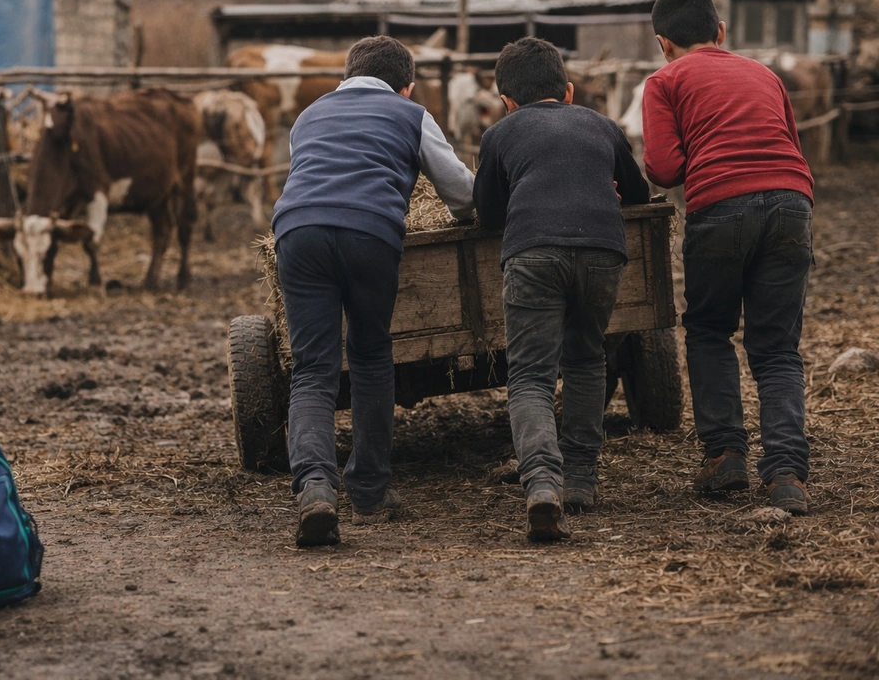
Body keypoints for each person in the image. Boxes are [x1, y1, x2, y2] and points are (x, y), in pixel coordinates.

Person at [272, 35, 475, 547]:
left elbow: (310, 172)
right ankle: (368, 489)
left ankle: (316, 488)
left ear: (344, 77)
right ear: (406, 86)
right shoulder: (410, 114)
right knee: (368, 355)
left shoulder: (309, 115)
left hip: (296, 231)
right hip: (369, 232)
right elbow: (460, 191)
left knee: (313, 369)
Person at [641, 0, 815, 515]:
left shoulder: (664, 80)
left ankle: (725, 457)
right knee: (777, 348)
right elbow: (789, 143)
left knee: (711, 328)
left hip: (720, 207)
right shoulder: (766, 75)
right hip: (792, 202)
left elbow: (665, 169)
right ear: (721, 32)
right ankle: (786, 475)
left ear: (663, 43)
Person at [473, 36, 649, 541]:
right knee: (587, 358)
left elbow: (487, 216)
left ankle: (542, 484)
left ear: (507, 101)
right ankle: (580, 481)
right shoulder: (602, 125)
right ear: (569, 90)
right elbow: (636, 195)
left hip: (533, 253)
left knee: (529, 375)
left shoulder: (500, 134)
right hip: (601, 252)